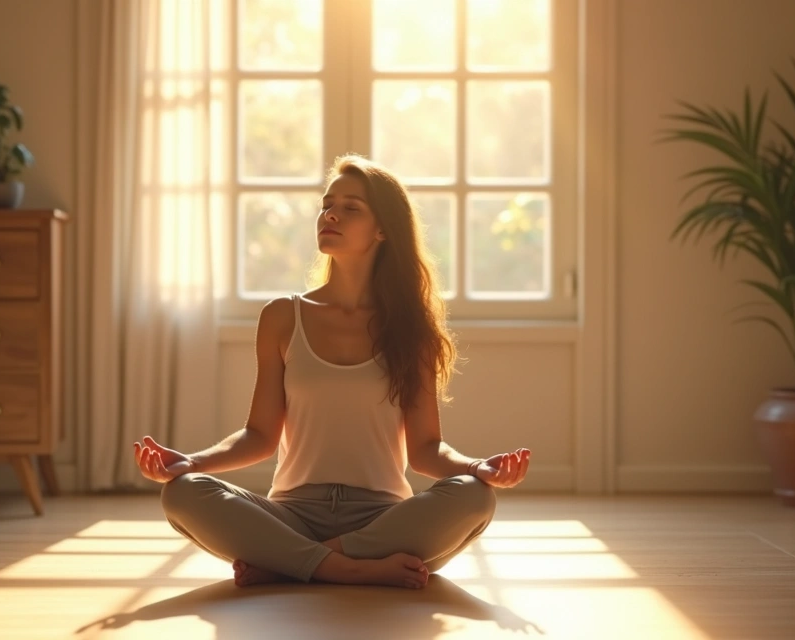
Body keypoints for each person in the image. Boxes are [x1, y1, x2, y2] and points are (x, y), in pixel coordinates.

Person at [132, 154, 531, 590]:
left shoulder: (410, 329)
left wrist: (477, 467)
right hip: (291, 514)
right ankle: (350, 567)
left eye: (351, 207)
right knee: (184, 493)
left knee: (474, 497)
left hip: (382, 517)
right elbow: (260, 437)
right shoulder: (283, 316)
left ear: (383, 229)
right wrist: (190, 462)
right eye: (327, 204)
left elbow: (425, 451)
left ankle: (293, 564)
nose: (331, 214)